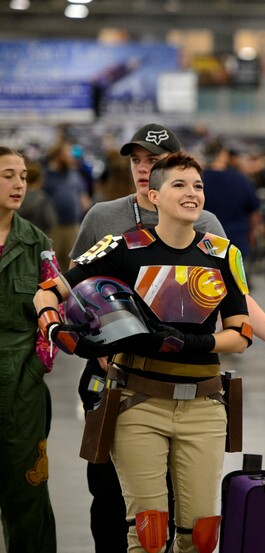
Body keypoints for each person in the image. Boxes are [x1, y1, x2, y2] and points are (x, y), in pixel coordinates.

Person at [68, 123, 265, 553]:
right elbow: (79, 292)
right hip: (119, 378)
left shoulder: (207, 226)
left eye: (154, 160)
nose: (144, 168)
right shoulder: (105, 220)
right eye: (137, 160)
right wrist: (94, 341)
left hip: (194, 385)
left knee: (194, 518)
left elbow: (232, 295)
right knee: (113, 499)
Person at [0, 146, 61, 552]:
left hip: (21, 389)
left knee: (27, 496)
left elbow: (54, 318)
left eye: (22, 175)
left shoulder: (37, 243)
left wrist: (38, 368)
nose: (19, 183)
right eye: (8, 175)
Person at [201, 140, 261, 262]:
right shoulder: (240, 179)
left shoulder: (198, 180)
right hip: (237, 240)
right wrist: (253, 233)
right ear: (222, 155)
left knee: (211, 277)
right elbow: (254, 211)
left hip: (208, 242)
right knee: (237, 278)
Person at [43, 142, 92, 271]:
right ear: (58, 156)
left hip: (73, 226)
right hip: (54, 228)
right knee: (52, 264)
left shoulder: (74, 174)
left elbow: (84, 196)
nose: (71, 157)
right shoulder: (47, 176)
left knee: (73, 263)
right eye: (67, 154)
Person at [17, 160, 58, 236]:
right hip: (38, 239)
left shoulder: (16, 198)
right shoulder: (44, 199)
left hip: (17, 239)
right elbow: (50, 221)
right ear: (39, 180)